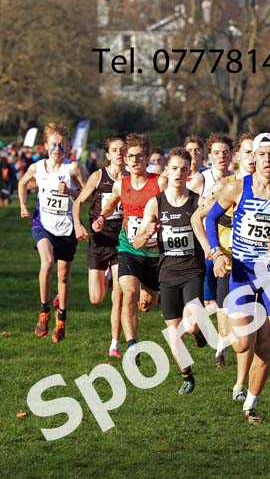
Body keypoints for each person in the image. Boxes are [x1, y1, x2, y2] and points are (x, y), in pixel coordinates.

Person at [204, 132, 270, 423]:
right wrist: (217, 252)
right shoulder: (236, 188)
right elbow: (210, 219)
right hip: (241, 270)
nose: (266, 159)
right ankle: (240, 380)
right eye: (261, 154)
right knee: (242, 344)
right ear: (253, 158)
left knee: (265, 344)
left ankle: (250, 405)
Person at [134, 148, 207, 394]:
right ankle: (187, 376)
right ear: (167, 170)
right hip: (166, 275)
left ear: (189, 172)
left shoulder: (197, 202)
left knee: (194, 324)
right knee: (174, 334)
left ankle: (199, 331)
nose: (178, 173)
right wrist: (147, 233)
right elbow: (136, 243)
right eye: (174, 168)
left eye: (183, 169)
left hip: (192, 271)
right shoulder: (156, 202)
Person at [191, 132, 257, 400]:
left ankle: (243, 384)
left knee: (250, 327)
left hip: (258, 264)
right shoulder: (225, 187)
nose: (253, 157)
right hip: (227, 261)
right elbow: (198, 218)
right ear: (238, 156)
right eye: (248, 152)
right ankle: (222, 347)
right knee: (224, 311)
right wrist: (212, 250)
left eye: (258, 152)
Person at [93, 133, 167, 361]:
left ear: (147, 158)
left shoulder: (159, 182)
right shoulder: (120, 185)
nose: (134, 160)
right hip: (128, 248)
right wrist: (102, 217)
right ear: (124, 160)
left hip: (155, 252)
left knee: (148, 304)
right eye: (130, 156)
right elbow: (112, 203)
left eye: (139, 156)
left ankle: (147, 300)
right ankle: (132, 346)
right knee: (129, 293)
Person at [19, 123, 86, 342]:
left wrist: (69, 191)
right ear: (45, 146)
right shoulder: (37, 168)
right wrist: (23, 206)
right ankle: (43, 312)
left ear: (67, 146)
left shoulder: (73, 168)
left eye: (61, 144)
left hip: (66, 228)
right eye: (53, 144)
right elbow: (22, 183)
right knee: (47, 263)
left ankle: (61, 318)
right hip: (43, 225)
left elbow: (87, 195)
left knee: (63, 275)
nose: (57, 148)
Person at [73, 135, 126, 357]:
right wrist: (78, 225)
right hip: (99, 240)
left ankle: (115, 344)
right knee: (96, 298)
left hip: (121, 242)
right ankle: (106, 276)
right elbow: (78, 202)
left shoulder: (132, 179)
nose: (120, 153)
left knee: (119, 296)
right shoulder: (98, 176)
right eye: (115, 150)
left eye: (123, 149)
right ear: (108, 155)